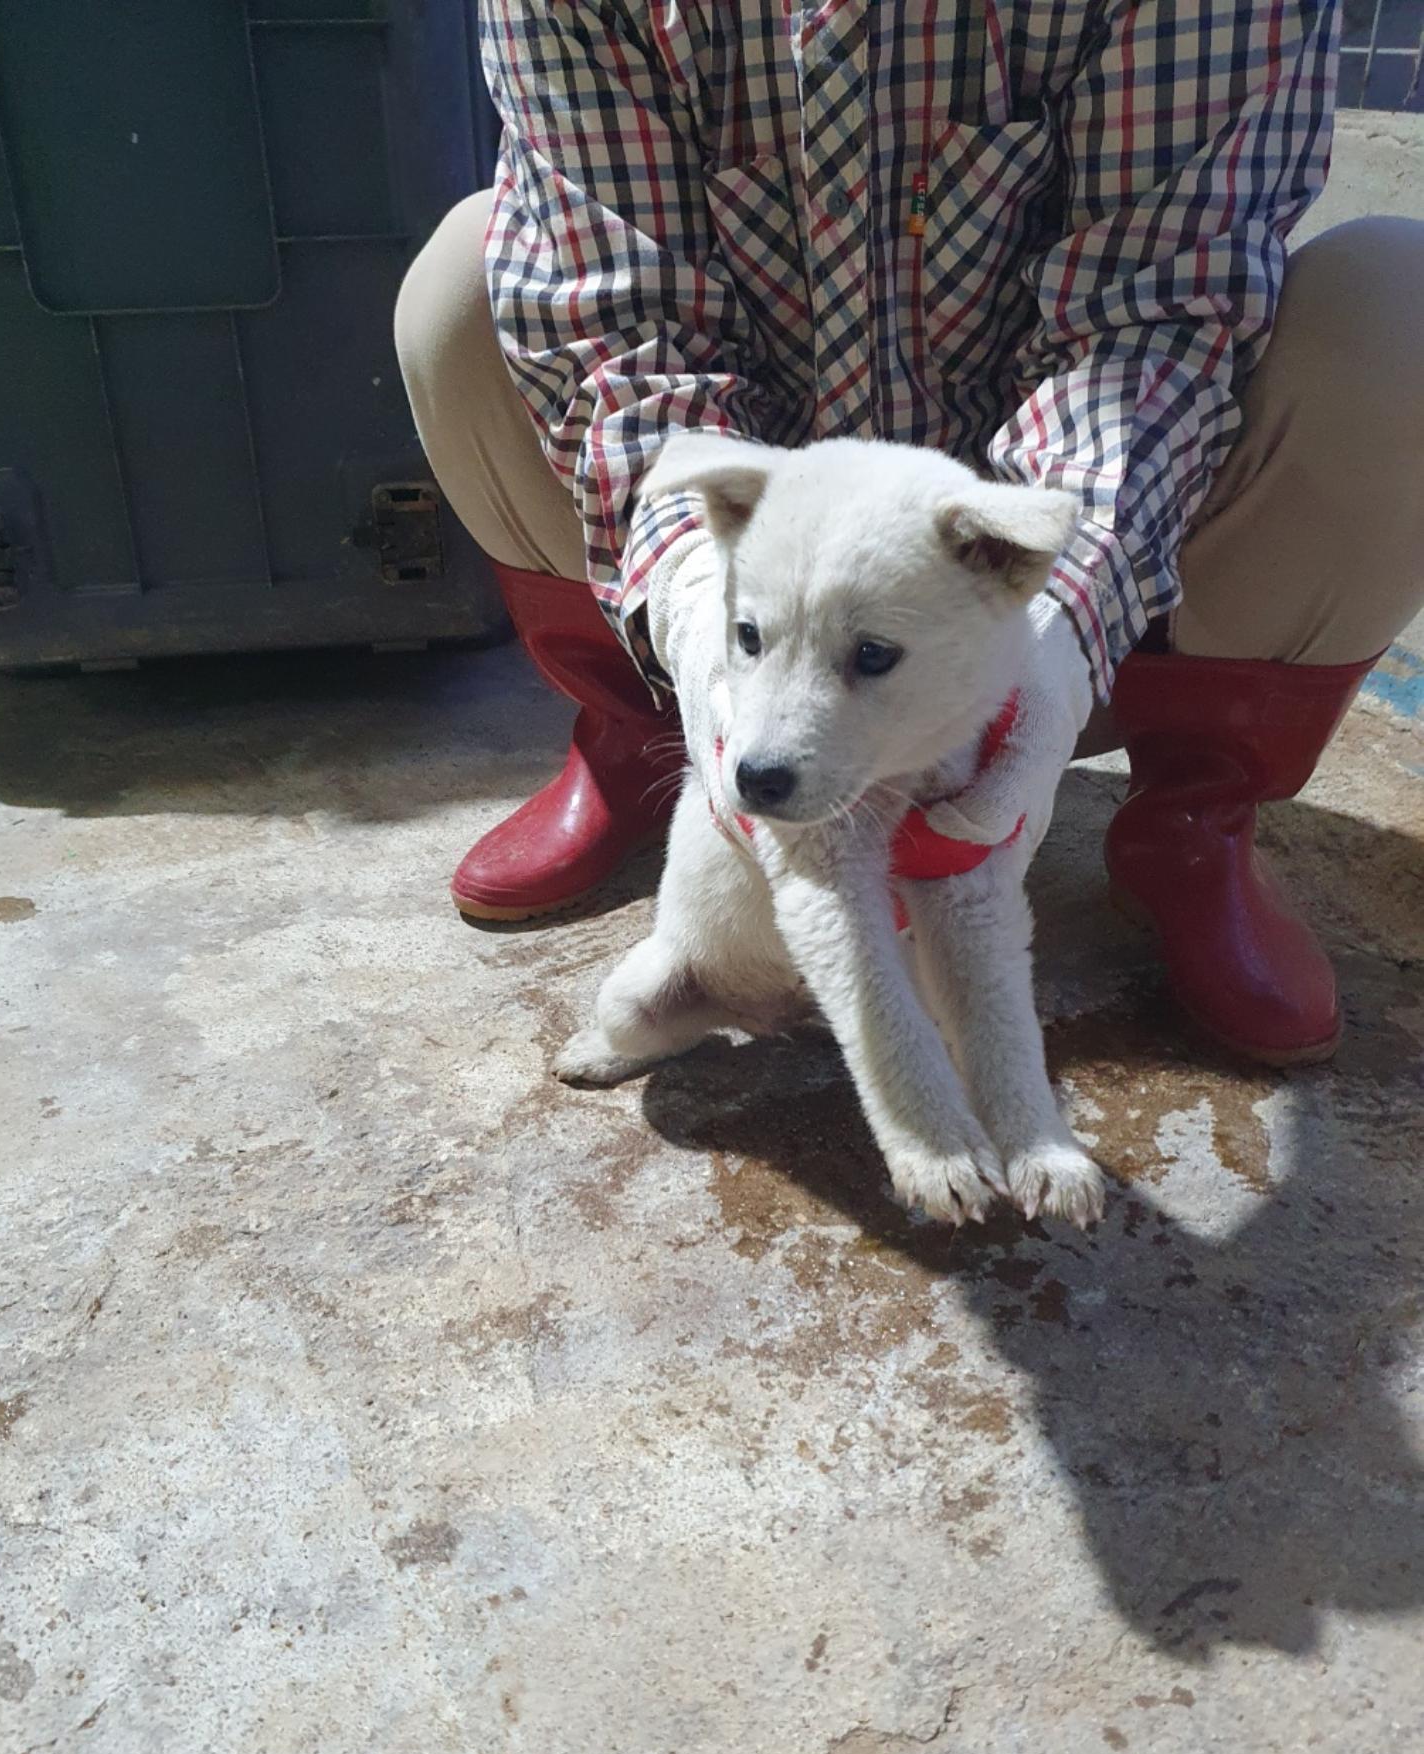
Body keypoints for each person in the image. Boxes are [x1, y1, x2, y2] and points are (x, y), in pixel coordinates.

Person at [395, 1, 1424, 1066]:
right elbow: (613, 321)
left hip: (1063, 557)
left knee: (1403, 313)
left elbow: (1153, 324)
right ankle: (640, 727)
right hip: (763, 552)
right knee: (465, 282)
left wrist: (1047, 642)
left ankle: (1194, 813)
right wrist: (703, 612)